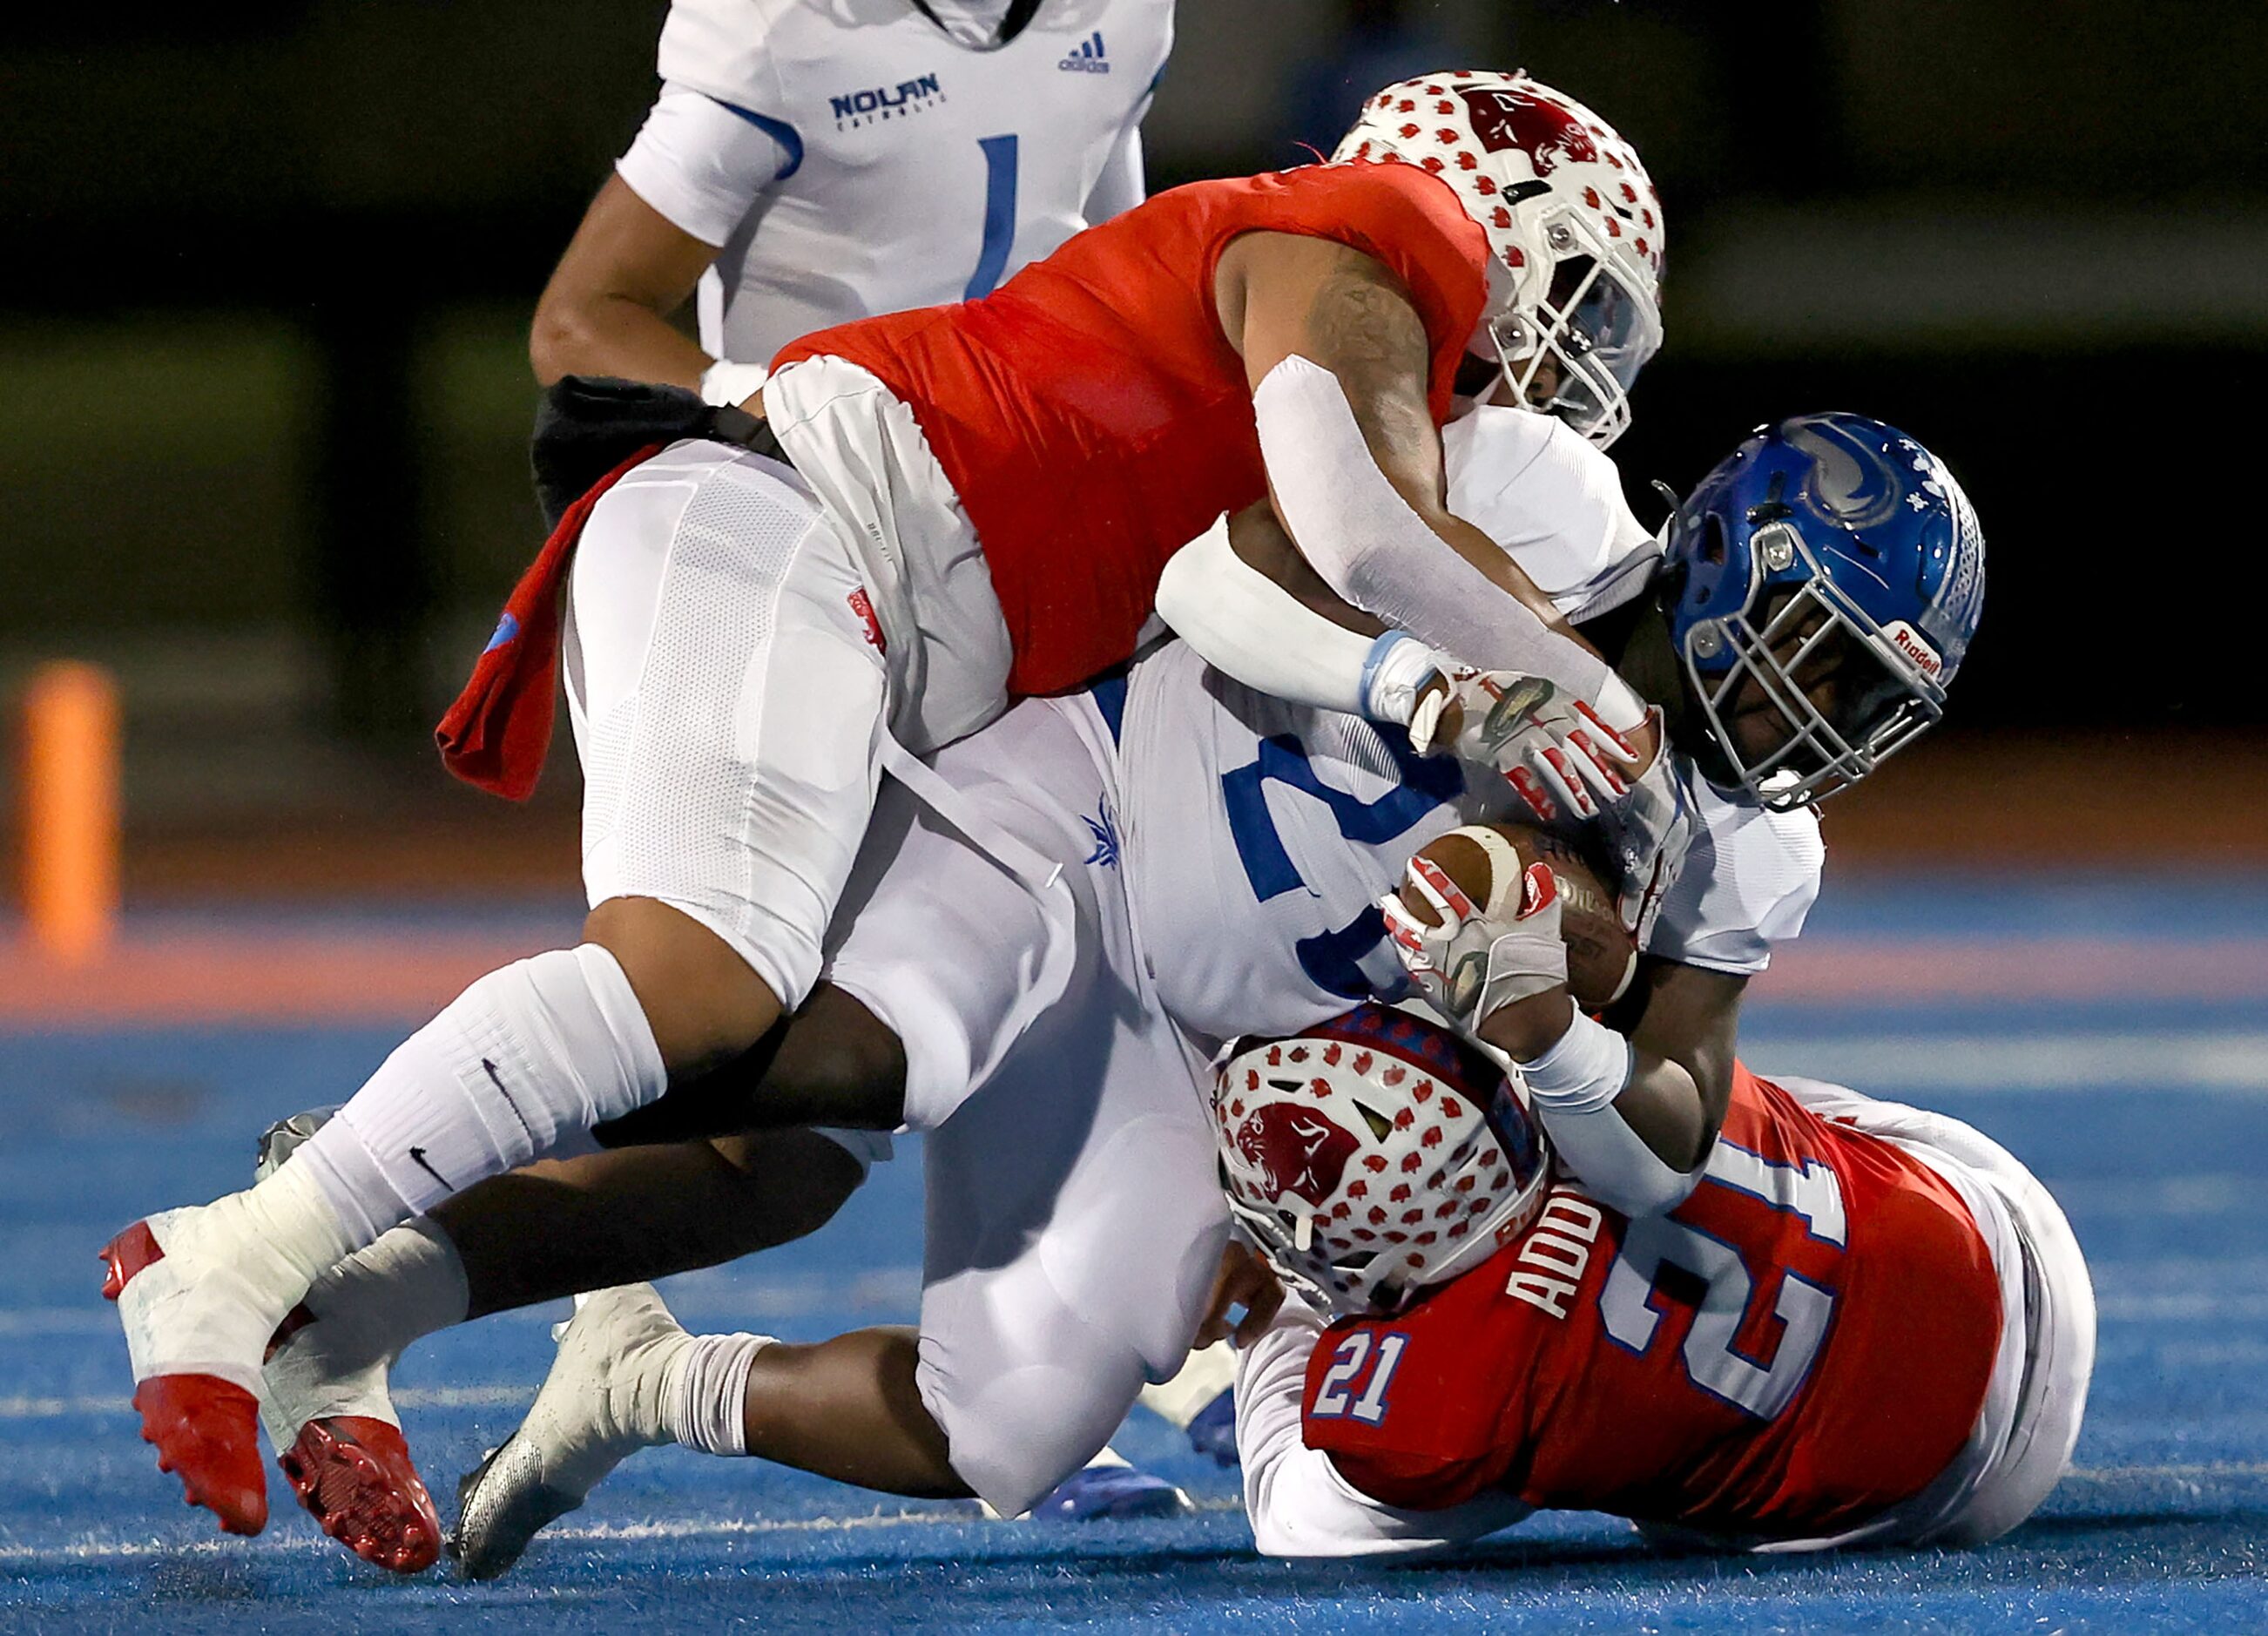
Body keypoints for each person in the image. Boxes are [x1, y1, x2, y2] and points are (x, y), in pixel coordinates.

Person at [105, 71, 1684, 1539]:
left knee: (789, 1150)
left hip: (913, 655)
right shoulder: (1365, 237)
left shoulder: (1397, 393)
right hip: (792, 515)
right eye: (1582, 297)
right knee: (700, 977)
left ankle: (358, 1297)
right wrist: (1594, 705)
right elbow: (1357, 521)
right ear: (1484, 206)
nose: (1576, 355)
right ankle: (238, 1253)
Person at [242, 408, 1981, 1573]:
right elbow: (1211, 574)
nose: (1821, 720)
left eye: (1873, 703)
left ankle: (633, 1383)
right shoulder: (1528, 491)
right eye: (1819, 651)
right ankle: (386, 1173)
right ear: (1736, 550)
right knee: (827, 1086)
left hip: (1195, 1041)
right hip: (1078, 797)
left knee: (1009, 1427)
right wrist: (1425, 687)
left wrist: (1556, 1038)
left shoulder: (1749, 850)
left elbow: (1666, 1141)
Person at [1212, 1007, 2094, 1557]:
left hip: (1954, 1486)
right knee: (1661, 1087)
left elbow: (1295, 1520)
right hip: (1988, 1215)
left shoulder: (1442, 1402)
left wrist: (1283, 1312)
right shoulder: (1547, 1031)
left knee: (1646, 1470)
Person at [530, 0, 1172, 409]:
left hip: (1038, 472)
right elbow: (577, 325)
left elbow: (1115, 278)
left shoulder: (1123, 14)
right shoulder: (777, 28)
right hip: (822, 508)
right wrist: (781, 420)